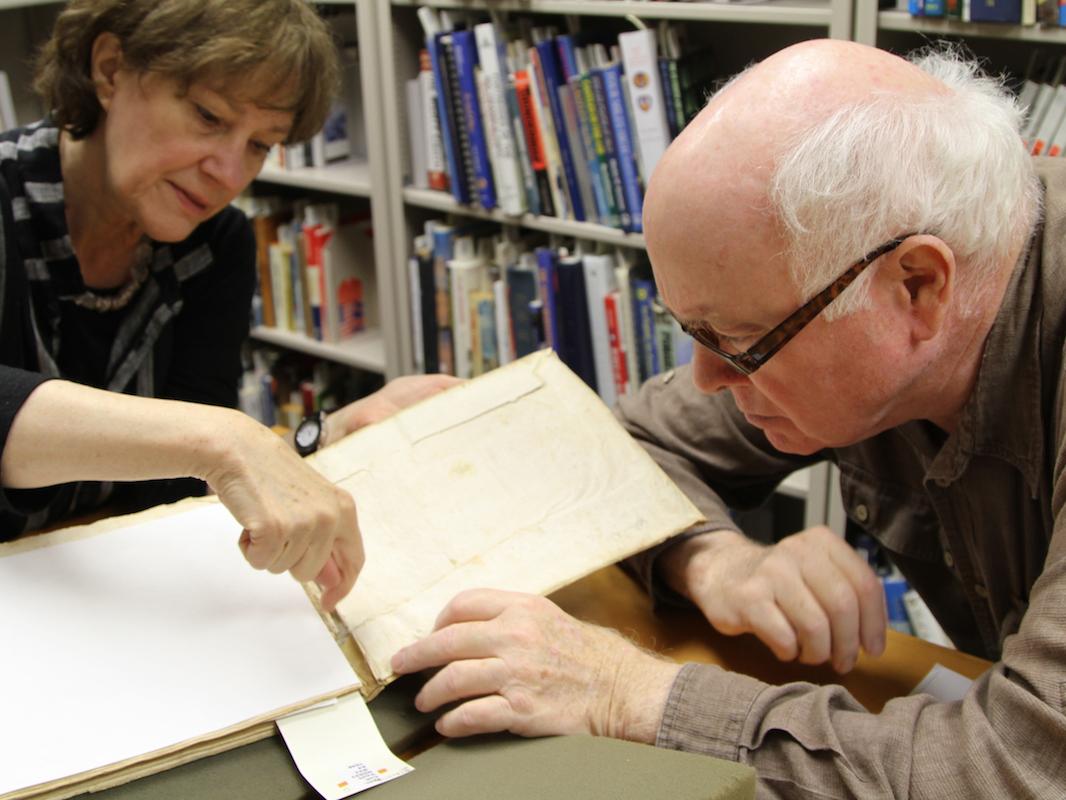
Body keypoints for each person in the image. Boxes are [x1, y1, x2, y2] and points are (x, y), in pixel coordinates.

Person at [391, 39, 1066, 797]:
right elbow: (623, 443)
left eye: (739, 342)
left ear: (917, 286)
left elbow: (1018, 763)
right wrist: (716, 560)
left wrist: (628, 693)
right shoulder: (856, 293)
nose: (707, 379)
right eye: (696, 334)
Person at [0, 0, 456, 611]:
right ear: (109, 69)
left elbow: (173, 481)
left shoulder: (217, 245)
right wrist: (222, 439)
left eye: (261, 145)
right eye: (209, 117)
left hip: (97, 599)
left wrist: (326, 435)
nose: (228, 173)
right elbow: (201, 441)